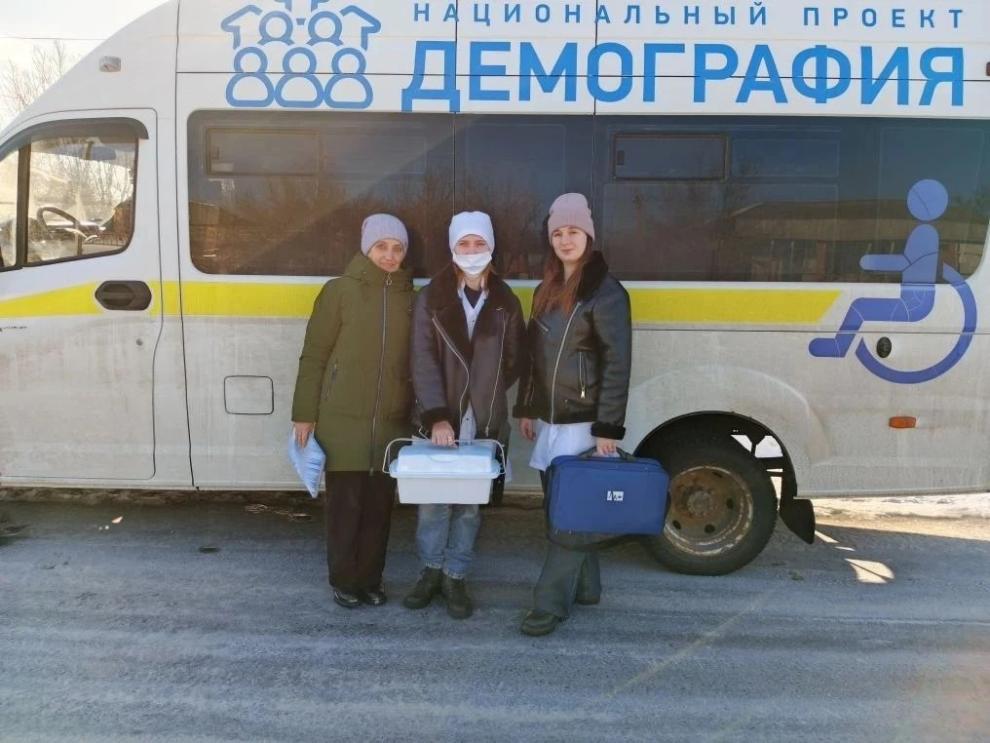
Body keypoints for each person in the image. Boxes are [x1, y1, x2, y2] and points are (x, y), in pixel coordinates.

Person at [514, 193, 632, 637]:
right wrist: (528, 407)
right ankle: (587, 587)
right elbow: (533, 358)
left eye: (574, 232)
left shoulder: (607, 293)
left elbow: (617, 364)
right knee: (562, 509)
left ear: (589, 236)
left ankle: (549, 604)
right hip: (549, 421)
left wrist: (608, 428)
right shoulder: (545, 289)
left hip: (584, 423)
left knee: (569, 516)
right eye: (558, 233)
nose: (566, 240)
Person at [403, 211, 526, 619]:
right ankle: (430, 571)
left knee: (469, 506)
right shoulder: (431, 298)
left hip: (483, 419)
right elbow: (421, 360)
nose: (472, 251)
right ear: (452, 249)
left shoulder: (506, 302)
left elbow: (514, 361)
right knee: (433, 503)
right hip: (438, 416)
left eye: (479, 243)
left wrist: (485, 391)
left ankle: (455, 575)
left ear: (491, 247)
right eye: (464, 244)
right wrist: (437, 415)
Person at [291, 214, 415, 609]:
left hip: (391, 425)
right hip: (341, 421)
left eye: (397, 248)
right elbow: (314, 355)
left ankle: (371, 580)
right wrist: (304, 413)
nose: (389, 255)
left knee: (379, 510)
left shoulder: (410, 297)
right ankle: (344, 581)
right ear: (367, 248)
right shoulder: (339, 292)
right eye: (382, 247)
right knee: (345, 509)